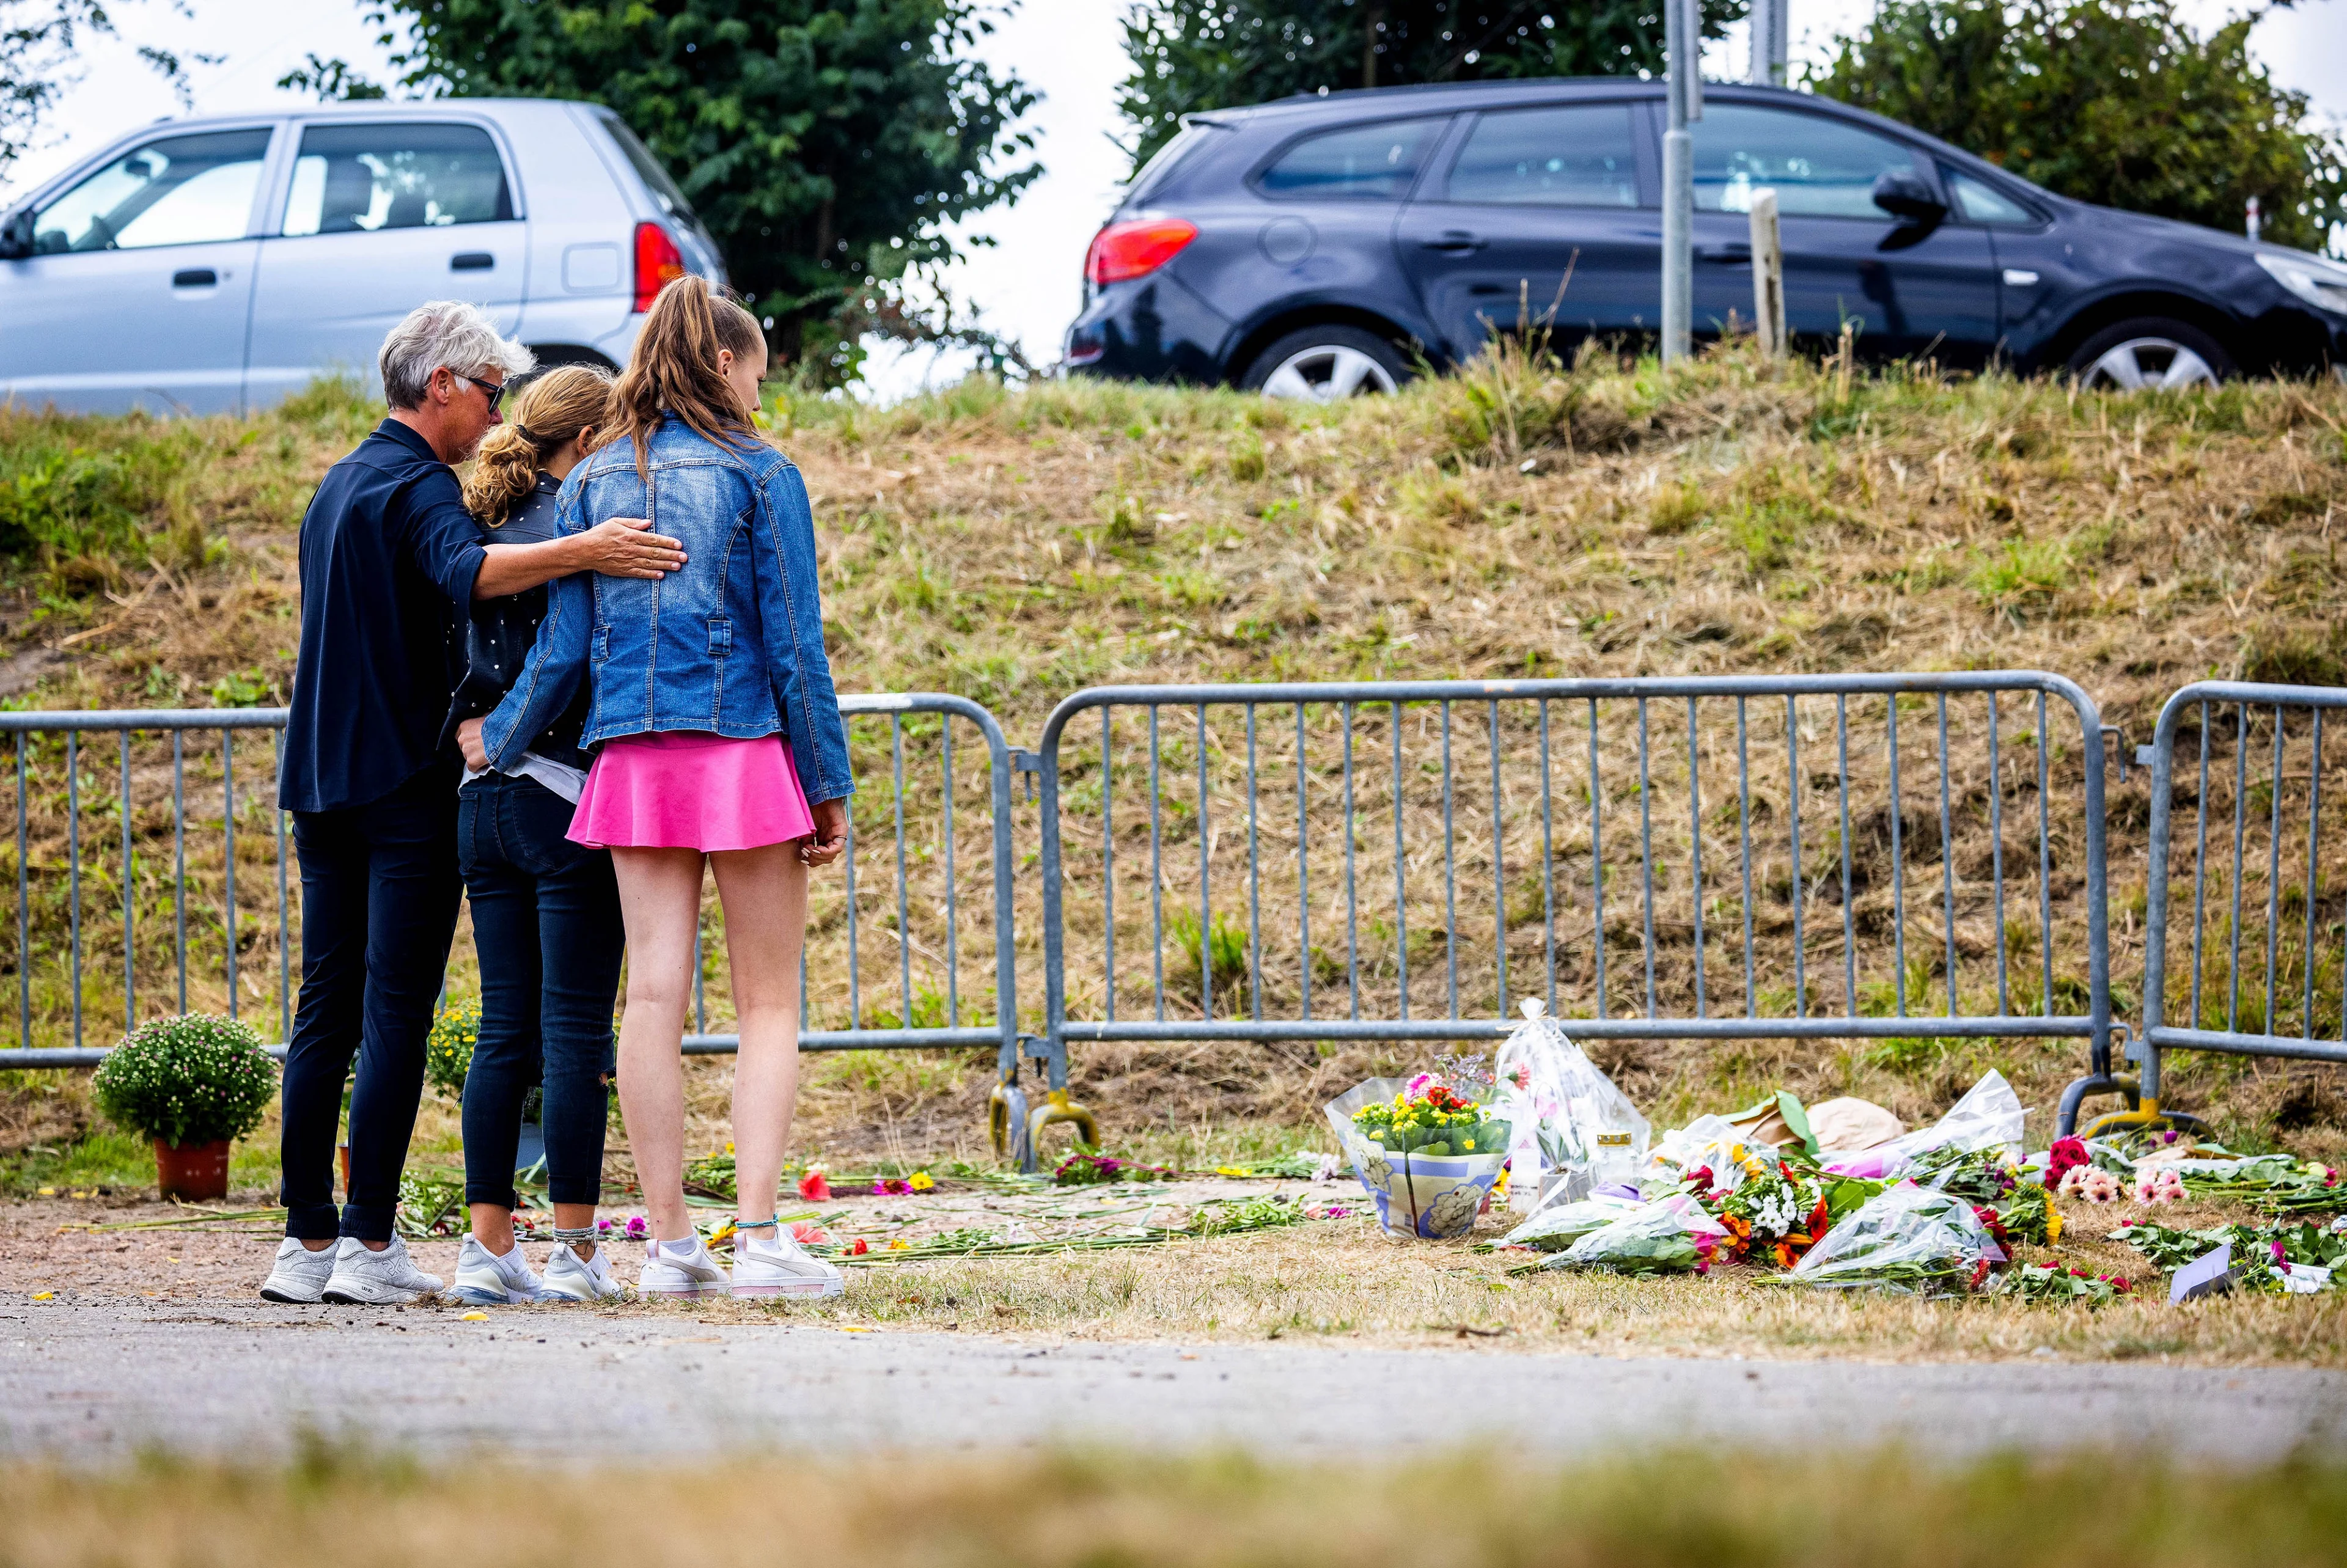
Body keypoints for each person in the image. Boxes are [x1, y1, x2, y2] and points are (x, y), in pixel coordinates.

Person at [262, 302, 687, 1308]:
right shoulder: (419, 489)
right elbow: (472, 574)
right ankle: (368, 1245)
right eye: (490, 390)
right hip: (406, 789)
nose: (495, 413)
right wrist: (587, 550)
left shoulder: (337, 485)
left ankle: (302, 1241)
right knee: (397, 1014)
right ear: (444, 381)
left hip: (318, 780)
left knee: (324, 1013)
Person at [463, 277, 853, 1300]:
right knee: (769, 1003)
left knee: (650, 998)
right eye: (760, 372)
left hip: (632, 758)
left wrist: (493, 739)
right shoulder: (763, 474)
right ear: (724, 363)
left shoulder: (594, 483)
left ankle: (670, 1245)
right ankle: (762, 1236)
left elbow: (563, 648)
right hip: (740, 748)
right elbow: (796, 645)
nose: (763, 394)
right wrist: (828, 781)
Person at [443, 365, 628, 1306]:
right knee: (573, 1031)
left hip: (481, 805)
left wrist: (478, 743)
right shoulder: (577, 529)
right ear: (589, 440)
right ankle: (577, 1253)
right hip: (559, 798)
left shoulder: (480, 524)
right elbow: (561, 660)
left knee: (502, 1029)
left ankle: (488, 1250)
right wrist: (515, 732)